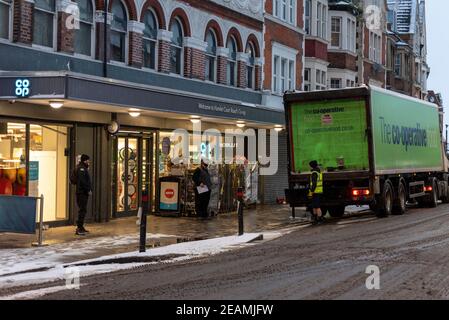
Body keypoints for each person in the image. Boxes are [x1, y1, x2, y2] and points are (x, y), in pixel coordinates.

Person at [75, 154, 92, 235]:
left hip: (82, 192)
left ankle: (81, 227)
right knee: (82, 210)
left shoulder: (83, 167)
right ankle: (79, 228)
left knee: (83, 210)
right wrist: (88, 189)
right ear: (85, 160)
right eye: (88, 160)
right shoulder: (81, 168)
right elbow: (82, 181)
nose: (89, 162)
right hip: (82, 193)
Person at [309, 160, 324, 225]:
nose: (309, 167)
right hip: (318, 191)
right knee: (314, 206)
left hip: (316, 191)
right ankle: (315, 218)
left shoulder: (314, 173)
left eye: (309, 165)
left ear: (311, 166)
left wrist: (311, 192)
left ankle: (320, 219)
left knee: (317, 206)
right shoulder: (318, 171)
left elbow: (314, 184)